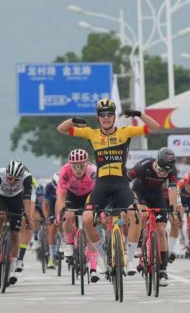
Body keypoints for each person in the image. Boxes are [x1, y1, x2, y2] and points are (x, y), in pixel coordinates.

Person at [56, 98, 161, 277]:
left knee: (135, 215)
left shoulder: (125, 132)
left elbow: (155, 127)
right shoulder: (91, 133)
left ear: (114, 117)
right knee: (88, 219)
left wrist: (139, 115)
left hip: (121, 184)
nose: (106, 118)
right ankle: (103, 258)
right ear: (98, 118)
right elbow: (61, 129)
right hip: (102, 185)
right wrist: (73, 120)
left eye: (109, 115)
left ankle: (129, 261)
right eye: (102, 115)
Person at [128, 147, 178, 285]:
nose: (163, 174)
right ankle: (139, 243)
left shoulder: (172, 170)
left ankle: (163, 270)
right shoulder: (143, 166)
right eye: (161, 170)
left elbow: (173, 190)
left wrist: (173, 210)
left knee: (161, 230)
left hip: (157, 196)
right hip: (140, 193)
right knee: (143, 216)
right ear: (156, 162)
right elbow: (126, 181)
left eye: (166, 172)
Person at [55, 148, 100, 283]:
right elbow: (61, 195)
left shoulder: (93, 171)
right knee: (67, 215)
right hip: (72, 195)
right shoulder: (65, 170)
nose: (78, 169)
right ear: (70, 165)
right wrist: (60, 213)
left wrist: (99, 211)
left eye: (81, 165)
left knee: (90, 229)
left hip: (89, 195)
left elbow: (99, 193)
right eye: (75, 166)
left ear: (87, 164)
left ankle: (93, 268)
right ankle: (69, 242)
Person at [0, 160, 35, 279]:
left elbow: (27, 201)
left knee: (15, 234)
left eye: (16, 179)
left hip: (16, 199)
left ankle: (12, 269)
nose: (12, 182)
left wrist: (29, 219)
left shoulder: (27, 178)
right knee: (0, 215)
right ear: (6, 173)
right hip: (1, 197)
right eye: (10, 178)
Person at [42, 172, 59, 269]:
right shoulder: (49, 187)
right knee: (51, 229)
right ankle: (51, 258)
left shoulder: (68, 184)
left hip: (64, 206)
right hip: (52, 207)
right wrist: (47, 217)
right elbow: (45, 205)